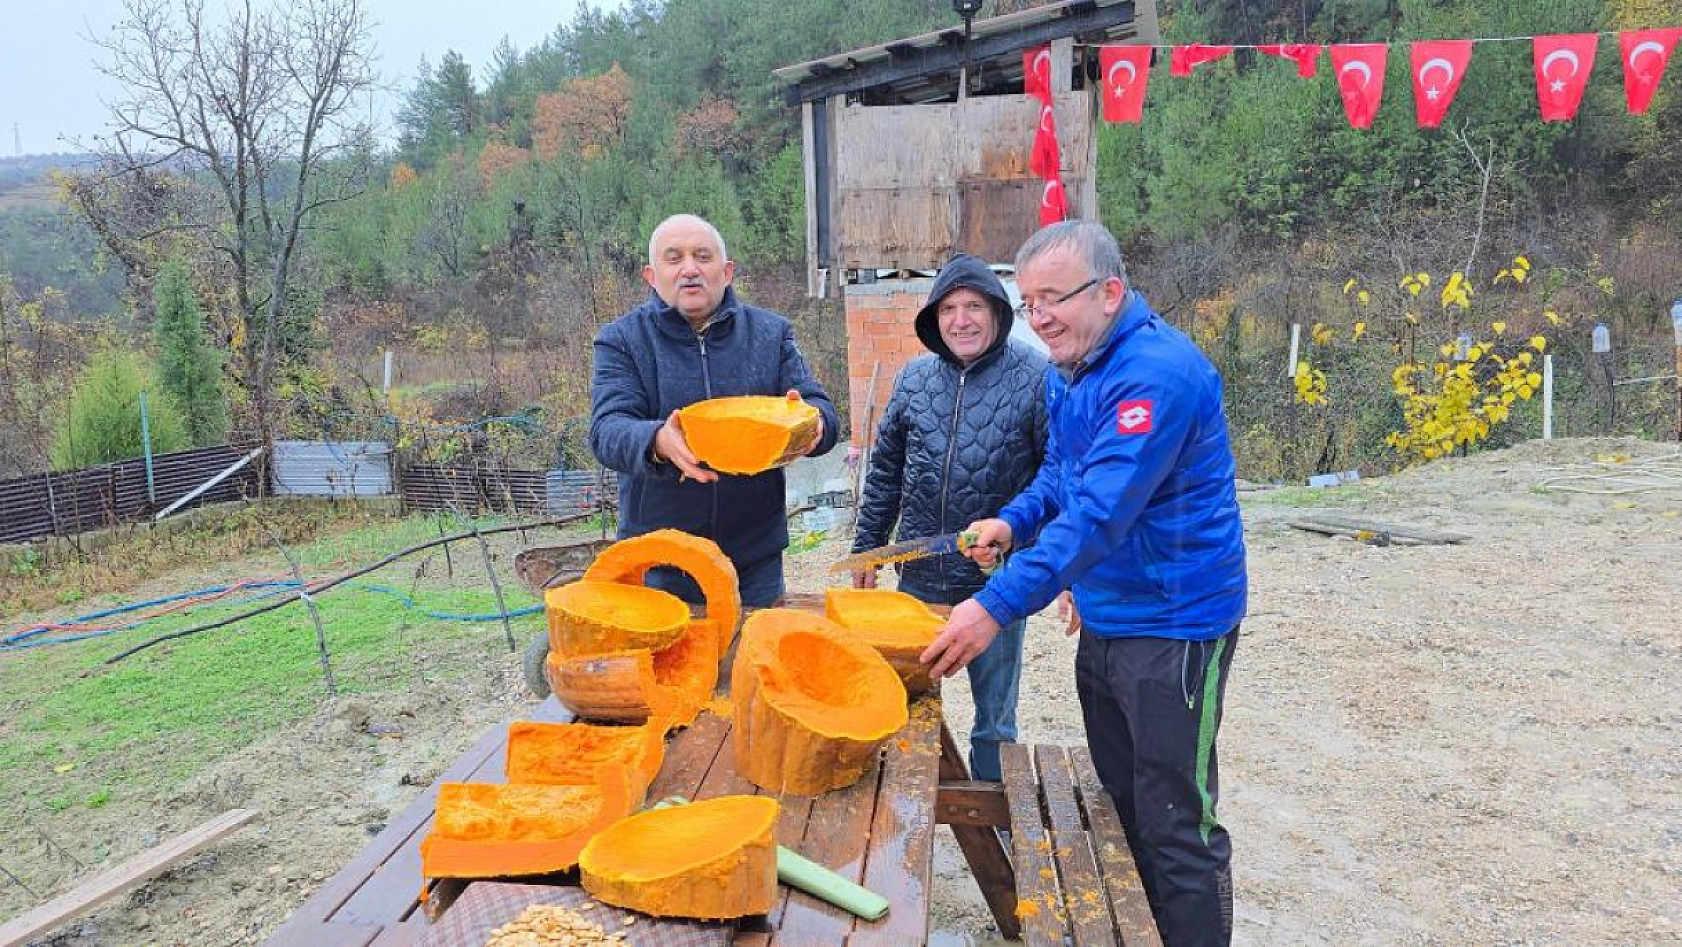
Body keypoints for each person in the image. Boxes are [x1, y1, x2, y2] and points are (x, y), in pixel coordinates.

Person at [922, 221, 1247, 946]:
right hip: (1106, 615)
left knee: (1177, 818)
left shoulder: (1155, 375)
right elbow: (1061, 478)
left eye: (1052, 299)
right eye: (1028, 301)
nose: (1037, 317)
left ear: (1109, 292)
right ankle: (1146, 928)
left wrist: (993, 604)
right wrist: (1012, 520)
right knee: (1123, 794)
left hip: (1175, 625)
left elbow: (1099, 513)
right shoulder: (1073, 369)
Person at [850, 252, 1047, 782]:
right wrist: (867, 545)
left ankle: (990, 818)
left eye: (974, 307)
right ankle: (894, 811)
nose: (960, 320)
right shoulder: (913, 380)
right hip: (917, 576)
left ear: (998, 313)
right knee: (898, 702)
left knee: (994, 720)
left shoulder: (1036, 378)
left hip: (994, 583)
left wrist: (1043, 558)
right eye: (948, 309)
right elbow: (886, 470)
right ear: (934, 319)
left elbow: (1057, 480)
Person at [590, 213, 840, 607]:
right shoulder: (621, 340)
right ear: (651, 276)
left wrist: (814, 425)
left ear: (726, 272)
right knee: (672, 666)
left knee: (752, 665)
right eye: (674, 258)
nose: (690, 269)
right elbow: (607, 430)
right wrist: (657, 440)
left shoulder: (771, 334)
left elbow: (821, 407)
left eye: (702, 256)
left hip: (754, 557)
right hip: (661, 560)